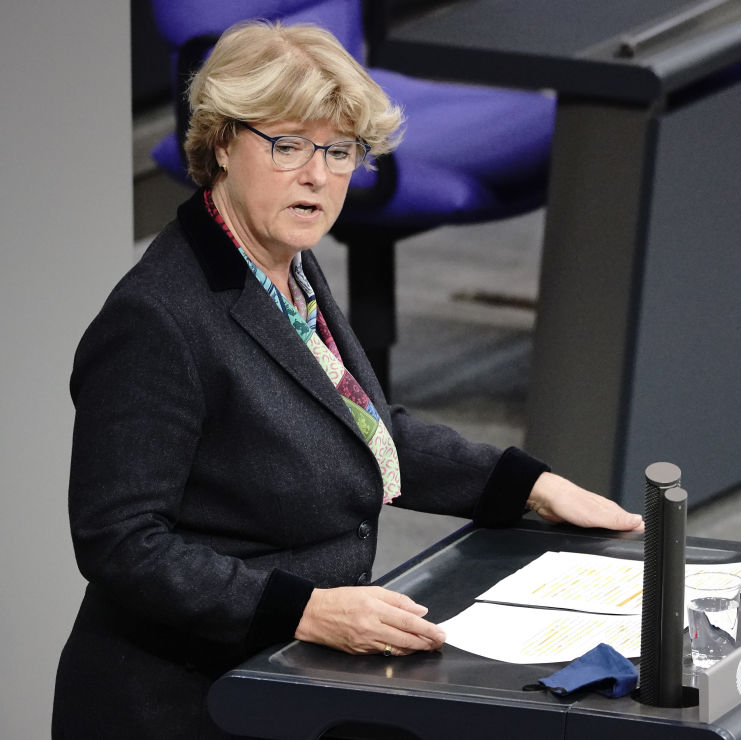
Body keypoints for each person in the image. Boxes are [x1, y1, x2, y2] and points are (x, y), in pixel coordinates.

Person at [52, 20, 645, 738]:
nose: (318, 176)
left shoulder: (283, 262)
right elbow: (122, 544)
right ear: (219, 145)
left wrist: (528, 485)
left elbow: (360, 424)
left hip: (286, 672)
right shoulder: (158, 319)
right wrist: (303, 609)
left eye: (339, 151)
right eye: (288, 146)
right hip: (183, 702)